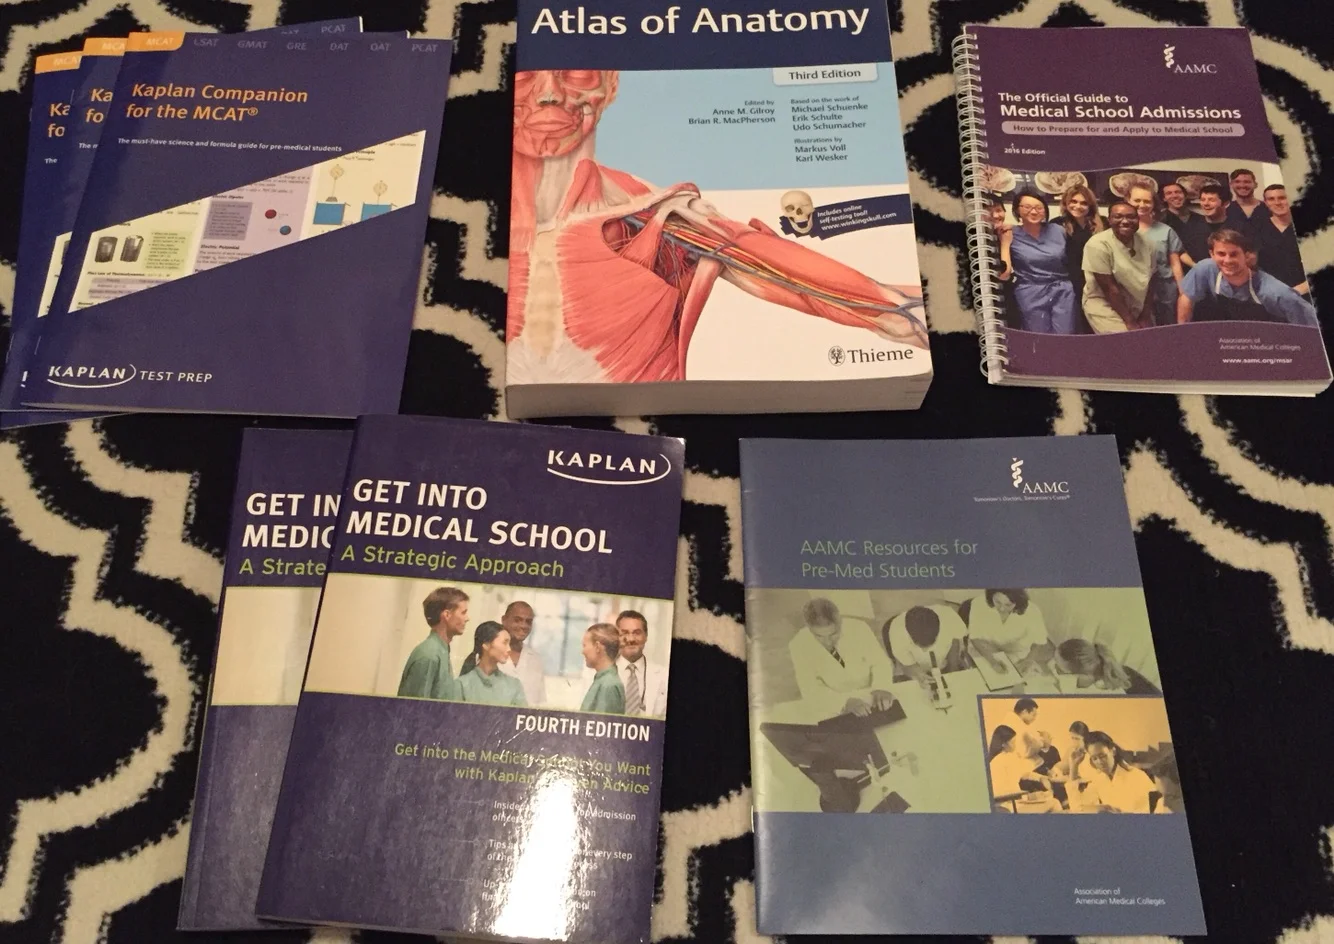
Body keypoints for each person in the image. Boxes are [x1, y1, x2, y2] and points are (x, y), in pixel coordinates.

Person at [508, 69, 928, 385]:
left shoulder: (657, 211)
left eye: (575, 75)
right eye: (527, 78)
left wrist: (888, 309)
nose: (548, 92)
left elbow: (771, 268)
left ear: (610, 86)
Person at [1178, 229, 1319, 327]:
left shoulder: (1276, 292)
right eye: (1221, 254)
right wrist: (1183, 333)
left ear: (1246, 256)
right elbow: (1186, 298)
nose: (1227, 260)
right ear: (1212, 254)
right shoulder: (1204, 269)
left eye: (1234, 254)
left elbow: (1311, 327)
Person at [790, 598, 896, 718]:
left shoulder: (859, 628)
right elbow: (810, 688)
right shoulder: (798, 644)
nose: (828, 642)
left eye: (833, 634)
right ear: (809, 628)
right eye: (819, 636)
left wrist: (881, 687)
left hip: (871, 695)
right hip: (833, 703)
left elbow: (880, 662)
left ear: (840, 622)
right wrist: (843, 703)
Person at [1005, 189, 1077, 334]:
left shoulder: (1058, 231)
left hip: (1062, 290)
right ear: (1017, 210)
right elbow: (1005, 269)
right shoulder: (1010, 233)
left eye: (1039, 208)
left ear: (1045, 211)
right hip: (1030, 291)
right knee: (1038, 336)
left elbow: (1073, 260)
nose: (1033, 212)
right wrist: (1004, 243)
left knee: (1065, 335)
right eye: (1027, 207)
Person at [1081, 201, 1157, 333]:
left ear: (1138, 219)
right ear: (1109, 220)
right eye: (1118, 216)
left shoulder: (1148, 243)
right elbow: (1109, 288)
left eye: (1131, 217)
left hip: (1136, 304)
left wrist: (1145, 315)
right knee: (1125, 340)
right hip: (1105, 303)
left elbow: (1152, 280)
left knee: (1149, 338)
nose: (1125, 221)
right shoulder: (1097, 244)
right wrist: (1130, 321)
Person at [1128, 184, 1185, 325]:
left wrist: (1183, 292)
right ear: (1128, 201)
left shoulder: (1166, 231)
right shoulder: (1122, 231)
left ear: (1154, 204)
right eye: (1137, 200)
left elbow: (1175, 263)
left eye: (1147, 201)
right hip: (1135, 291)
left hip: (1165, 290)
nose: (1142, 205)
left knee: (1168, 328)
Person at [398, 587, 469, 700]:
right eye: (463, 613)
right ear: (447, 615)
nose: (467, 618)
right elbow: (416, 707)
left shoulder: (441, 651)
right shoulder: (429, 655)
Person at [1051, 184, 1104, 331]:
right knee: (1075, 324)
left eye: (1084, 203)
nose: (1078, 206)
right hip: (1069, 282)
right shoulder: (1056, 224)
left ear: (1090, 206)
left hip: (1097, 280)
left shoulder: (1102, 223)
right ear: (1066, 203)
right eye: (1073, 201)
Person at [967, 589, 1049, 674]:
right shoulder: (978, 603)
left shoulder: (1032, 611)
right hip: (985, 649)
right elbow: (974, 637)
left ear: (1018, 602)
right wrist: (992, 661)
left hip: (1016, 654)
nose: (1002, 609)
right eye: (997, 602)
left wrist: (1028, 660)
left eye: (1008, 605)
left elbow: (1039, 641)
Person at [885, 604, 969, 686]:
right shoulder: (897, 632)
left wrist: (953, 668)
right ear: (909, 635)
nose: (925, 651)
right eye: (920, 646)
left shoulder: (949, 617)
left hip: (945, 662)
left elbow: (955, 640)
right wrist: (919, 674)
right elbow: (906, 663)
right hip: (918, 667)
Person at [1250, 184, 1310, 298]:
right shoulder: (1257, 228)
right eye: (1271, 199)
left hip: (1305, 293)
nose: (1277, 203)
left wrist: (1298, 290)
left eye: (1282, 198)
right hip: (1271, 295)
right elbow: (1253, 266)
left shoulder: (1309, 227)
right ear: (1266, 203)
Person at [1079, 731, 1156, 813]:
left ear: (1113, 751)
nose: (1099, 762)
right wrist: (1074, 766)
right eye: (1094, 758)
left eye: (1102, 756)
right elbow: (1080, 807)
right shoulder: (1099, 779)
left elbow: (1149, 812)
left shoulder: (1137, 776)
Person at [457, 621, 527, 707]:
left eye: (509, 644)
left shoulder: (514, 685)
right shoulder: (461, 684)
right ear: (486, 645)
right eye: (505, 642)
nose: (509, 649)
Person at [1054, 638, 1160, 694]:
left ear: (1083, 674)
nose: (1055, 668)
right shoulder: (1115, 669)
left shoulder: (1101, 694)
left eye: (1061, 671)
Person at [616, 609, 668, 717]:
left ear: (646, 636)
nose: (631, 639)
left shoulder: (664, 676)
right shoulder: (598, 673)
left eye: (637, 633)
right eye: (624, 633)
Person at [496, 600, 547, 707]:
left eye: (528, 622)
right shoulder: (488, 654)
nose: (523, 626)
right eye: (517, 620)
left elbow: (540, 704)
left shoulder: (536, 660)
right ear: (504, 620)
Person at [987, 724, 1049, 799]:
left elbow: (1023, 773)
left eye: (1015, 742)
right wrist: (1028, 797)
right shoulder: (997, 762)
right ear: (1003, 744)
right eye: (1012, 743)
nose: (1015, 745)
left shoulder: (1011, 756)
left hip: (1017, 799)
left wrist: (1040, 778)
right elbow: (1002, 793)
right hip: (1008, 802)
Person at [580, 623, 625, 713]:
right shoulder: (603, 681)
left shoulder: (608, 685)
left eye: (585, 645)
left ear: (597, 647)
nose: (582, 651)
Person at [1160, 182, 1207, 268]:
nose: (1175, 196)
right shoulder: (1160, 222)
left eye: (1178, 192)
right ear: (1164, 199)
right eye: (1169, 193)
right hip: (1175, 269)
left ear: (1185, 195)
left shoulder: (1201, 219)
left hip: (1202, 267)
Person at [1009, 697, 1050, 762]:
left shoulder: (1012, 721)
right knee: (1051, 751)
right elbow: (1028, 749)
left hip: (1013, 758)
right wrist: (1044, 742)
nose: (1034, 718)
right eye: (1033, 715)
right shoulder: (1018, 725)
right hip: (1015, 761)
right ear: (1024, 712)